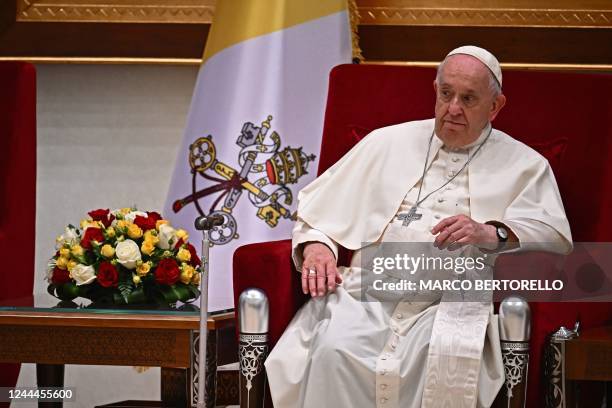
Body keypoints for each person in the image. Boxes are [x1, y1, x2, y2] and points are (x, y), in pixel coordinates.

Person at [264, 46, 572, 408]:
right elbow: (318, 213)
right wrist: (317, 248)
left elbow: (553, 232)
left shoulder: (525, 164)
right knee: (332, 350)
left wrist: (492, 233)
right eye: (446, 94)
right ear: (435, 90)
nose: (453, 108)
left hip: (450, 301)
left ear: (495, 106)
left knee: (441, 359)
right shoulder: (385, 143)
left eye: (469, 98)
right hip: (368, 293)